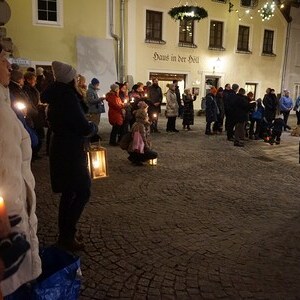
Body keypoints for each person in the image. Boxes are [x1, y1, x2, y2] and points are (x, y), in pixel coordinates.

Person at [41, 61, 98, 251]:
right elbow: (82, 126)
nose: (77, 79)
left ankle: (66, 234)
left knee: (69, 192)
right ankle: (67, 234)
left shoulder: (59, 95)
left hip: (63, 148)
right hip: (70, 151)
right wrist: (93, 128)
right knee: (83, 191)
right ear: (69, 79)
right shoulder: (67, 97)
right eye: (74, 76)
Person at [0, 44, 41, 297]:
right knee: (11, 280)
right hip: (8, 215)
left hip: (13, 207)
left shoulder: (5, 101)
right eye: (3, 61)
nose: (9, 65)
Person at [23, 71, 46, 160]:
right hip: (33, 115)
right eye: (34, 80)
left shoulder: (32, 89)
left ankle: (35, 153)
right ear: (29, 80)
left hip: (36, 113)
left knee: (39, 134)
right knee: (37, 134)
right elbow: (30, 102)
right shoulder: (27, 90)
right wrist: (38, 107)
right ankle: (33, 154)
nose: (35, 82)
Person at [127, 101, 158, 166]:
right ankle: (137, 159)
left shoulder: (137, 123)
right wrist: (147, 147)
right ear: (143, 116)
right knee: (154, 154)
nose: (147, 113)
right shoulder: (140, 126)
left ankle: (134, 157)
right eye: (146, 112)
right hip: (136, 148)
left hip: (132, 148)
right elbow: (141, 139)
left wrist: (149, 123)